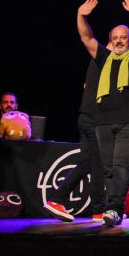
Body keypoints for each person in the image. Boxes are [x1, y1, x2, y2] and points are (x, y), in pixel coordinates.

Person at [77, 0, 129, 227]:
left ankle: (115, 208)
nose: (118, 41)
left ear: (128, 40)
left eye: (122, 37)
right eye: (114, 38)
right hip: (103, 121)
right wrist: (81, 15)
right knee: (107, 168)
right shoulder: (104, 57)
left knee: (121, 165)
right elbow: (86, 37)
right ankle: (114, 207)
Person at [42, 61, 107, 222]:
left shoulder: (97, 63)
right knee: (97, 165)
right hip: (94, 120)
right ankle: (99, 211)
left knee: (86, 163)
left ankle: (56, 200)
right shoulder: (104, 60)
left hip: (85, 118)